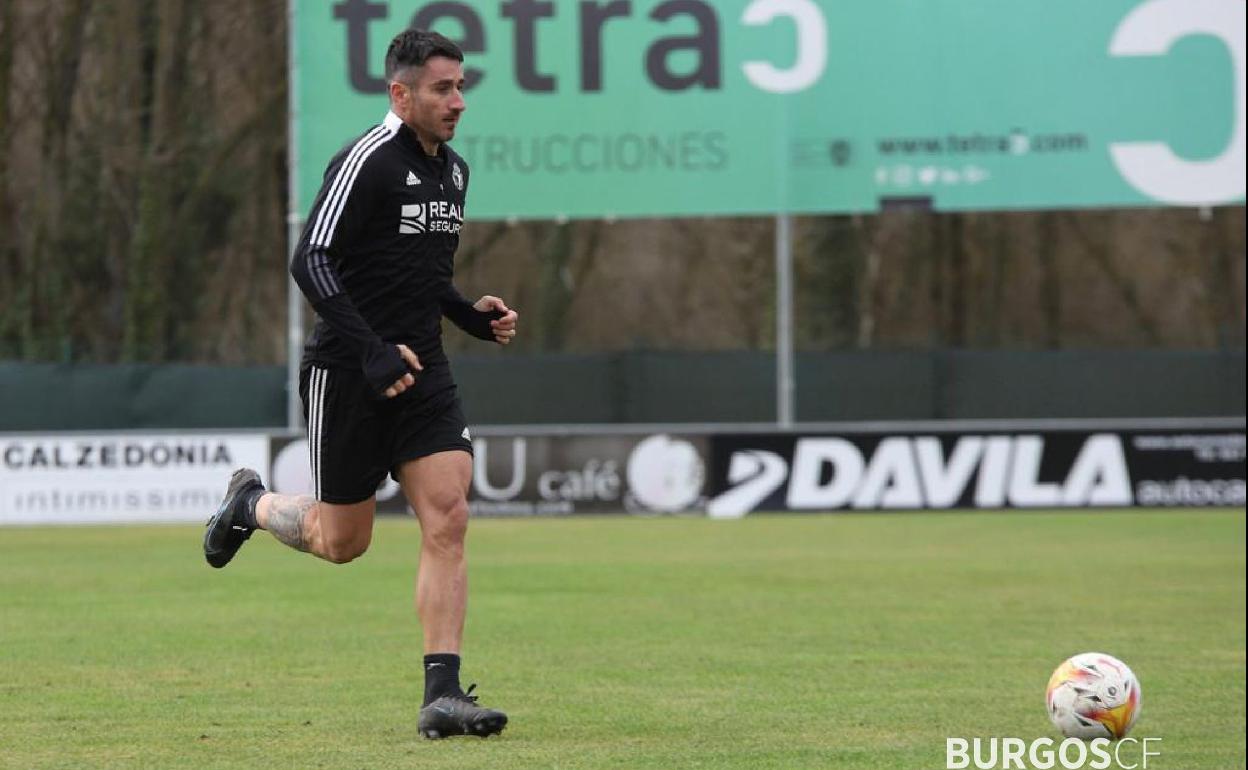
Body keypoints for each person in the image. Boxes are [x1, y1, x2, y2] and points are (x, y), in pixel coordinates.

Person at [202, 28, 516, 740]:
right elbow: (310, 259)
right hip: (350, 372)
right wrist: (371, 349)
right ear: (399, 94)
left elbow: (422, 275)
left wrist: (467, 313)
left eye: (462, 86)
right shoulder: (367, 161)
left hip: (422, 371)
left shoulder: (454, 173)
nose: (458, 101)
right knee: (343, 543)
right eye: (442, 88)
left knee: (449, 513)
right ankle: (249, 504)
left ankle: (442, 693)